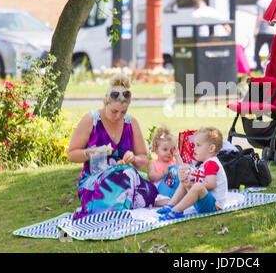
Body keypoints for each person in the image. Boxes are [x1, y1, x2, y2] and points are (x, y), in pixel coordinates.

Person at [68, 73, 158, 220]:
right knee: (126, 176)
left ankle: (112, 208)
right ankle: (108, 207)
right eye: (114, 111)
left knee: (145, 187)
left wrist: (134, 158)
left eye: (123, 112)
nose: (118, 116)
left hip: (125, 179)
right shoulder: (92, 120)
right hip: (95, 180)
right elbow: (71, 154)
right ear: (105, 102)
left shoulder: (131, 123)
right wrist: (88, 153)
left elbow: (143, 160)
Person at [157, 127, 228, 220]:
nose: (194, 149)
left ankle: (177, 210)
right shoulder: (205, 164)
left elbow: (211, 184)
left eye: (198, 145)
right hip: (205, 201)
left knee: (197, 186)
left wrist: (194, 184)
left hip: (214, 206)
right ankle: (171, 204)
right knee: (186, 180)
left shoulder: (212, 163)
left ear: (211, 148)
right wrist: (188, 180)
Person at [148, 126, 182, 206]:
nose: (168, 153)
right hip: (159, 191)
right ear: (156, 149)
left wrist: (177, 156)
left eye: (171, 151)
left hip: (172, 189)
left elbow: (181, 168)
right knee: (164, 200)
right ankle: (157, 203)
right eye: (165, 150)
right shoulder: (153, 162)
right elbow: (151, 177)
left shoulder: (172, 162)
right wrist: (162, 173)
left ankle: (174, 201)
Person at [254, 0, 276, 72]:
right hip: (274, 31)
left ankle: (259, 68)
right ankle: (271, 68)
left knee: (257, 51)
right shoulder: (274, 0)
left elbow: (259, 17)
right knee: (272, 52)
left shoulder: (260, 2)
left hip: (263, 31)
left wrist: (255, 31)